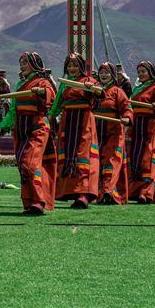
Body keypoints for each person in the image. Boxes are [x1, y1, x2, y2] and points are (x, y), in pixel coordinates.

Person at [0, 52, 57, 215]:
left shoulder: (43, 82)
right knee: (23, 166)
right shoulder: (20, 85)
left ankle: (39, 200)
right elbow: (14, 109)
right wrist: (3, 124)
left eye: (25, 62)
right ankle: (31, 203)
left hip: (37, 126)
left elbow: (51, 95)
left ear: (34, 64)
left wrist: (41, 91)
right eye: (20, 62)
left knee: (29, 163)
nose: (22, 65)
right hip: (21, 129)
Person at [48, 53, 102, 209]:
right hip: (67, 121)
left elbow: (100, 92)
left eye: (75, 65)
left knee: (82, 155)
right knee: (67, 155)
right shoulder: (65, 83)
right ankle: (70, 192)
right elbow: (58, 102)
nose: (72, 68)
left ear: (81, 67)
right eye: (69, 66)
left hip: (84, 122)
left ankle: (83, 194)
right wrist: (50, 116)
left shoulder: (89, 81)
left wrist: (92, 89)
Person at [127, 61, 155, 204]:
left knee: (148, 158)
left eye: (143, 71)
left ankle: (147, 192)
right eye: (139, 72)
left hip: (150, 126)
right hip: (137, 127)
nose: (141, 74)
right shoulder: (136, 89)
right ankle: (135, 191)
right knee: (137, 159)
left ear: (150, 73)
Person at [94, 62, 132, 205]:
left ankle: (108, 191)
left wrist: (127, 117)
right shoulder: (94, 90)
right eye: (101, 72)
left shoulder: (117, 91)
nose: (104, 75)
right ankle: (99, 193)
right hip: (96, 132)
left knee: (110, 161)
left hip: (113, 132)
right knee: (97, 162)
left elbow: (127, 106)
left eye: (107, 72)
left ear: (112, 75)